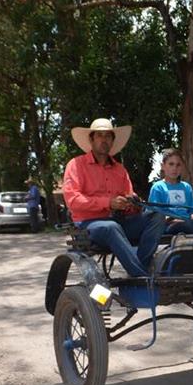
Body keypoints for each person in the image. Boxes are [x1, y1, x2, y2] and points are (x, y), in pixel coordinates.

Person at [63, 118, 165, 277]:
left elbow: (129, 200)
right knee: (111, 227)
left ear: (112, 141)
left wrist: (133, 204)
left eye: (108, 136)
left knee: (157, 215)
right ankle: (141, 276)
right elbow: (73, 200)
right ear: (91, 139)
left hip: (119, 222)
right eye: (99, 135)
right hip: (87, 226)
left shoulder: (120, 170)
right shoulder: (76, 165)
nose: (104, 140)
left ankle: (141, 266)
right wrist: (108, 203)